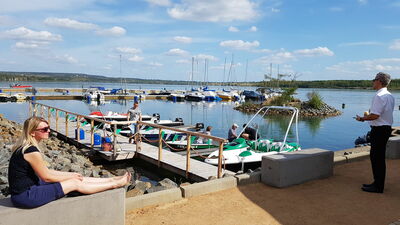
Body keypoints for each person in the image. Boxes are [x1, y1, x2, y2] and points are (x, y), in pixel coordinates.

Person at [8, 116, 131, 208]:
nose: (49, 131)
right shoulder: (30, 151)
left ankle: (113, 180)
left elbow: (47, 172)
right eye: (44, 129)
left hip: (31, 187)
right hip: (26, 196)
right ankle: (115, 184)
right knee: (74, 183)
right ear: (32, 132)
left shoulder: (25, 147)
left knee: (77, 178)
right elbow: (46, 177)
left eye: (48, 128)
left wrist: (71, 175)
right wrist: (70, 176)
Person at [355, 72, 394, 193]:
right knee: (379, 158)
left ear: (379, 81)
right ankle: (377, 183)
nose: (372, 82)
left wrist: (362, 118)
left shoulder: (379, 96)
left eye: (374, 80)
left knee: (376, 158)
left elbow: (375, 116)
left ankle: (378, 186)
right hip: (386, 129)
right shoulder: (390, 95)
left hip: (379, 130)